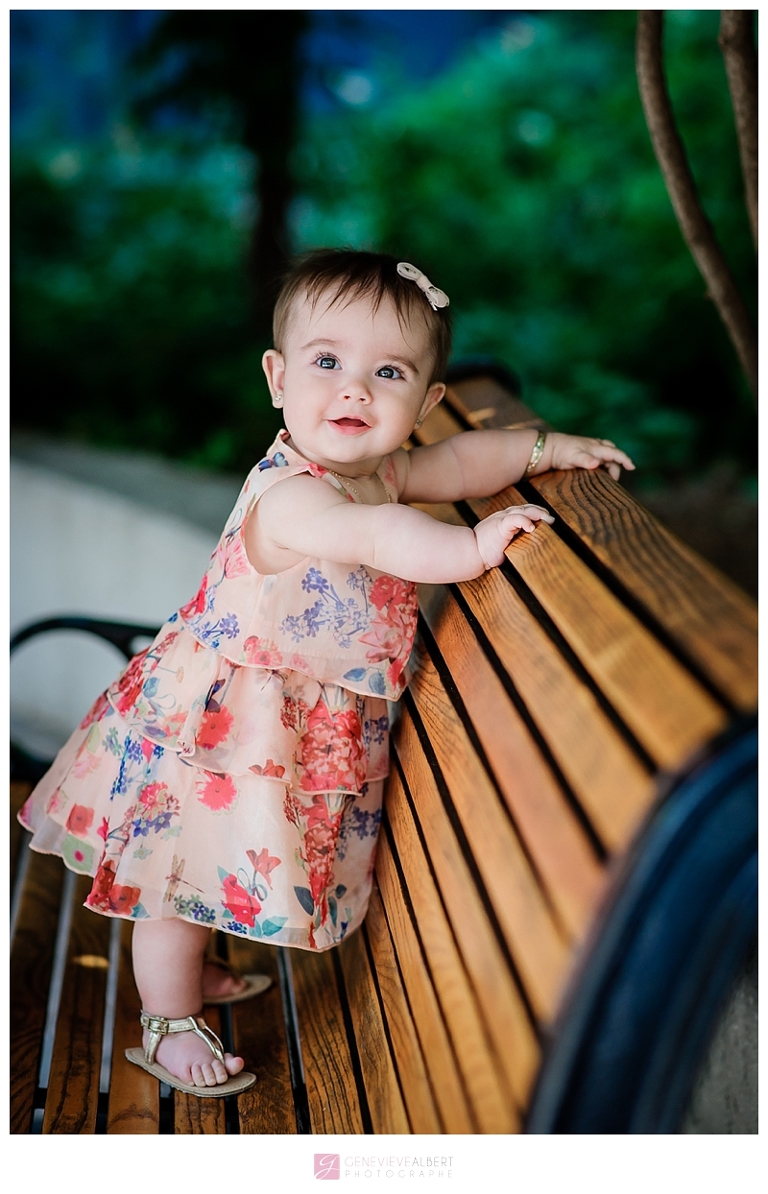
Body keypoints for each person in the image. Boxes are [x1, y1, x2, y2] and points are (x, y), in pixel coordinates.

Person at [18, 249, 635, 1097]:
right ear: (278, 378)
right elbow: (378, 540)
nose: (355, 390)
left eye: (388, 372)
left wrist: (543, 449)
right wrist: (472, 546)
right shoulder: (296, 497)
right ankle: (164, 1022)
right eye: (328, 362)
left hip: (281, 733)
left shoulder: (374, 471)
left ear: (423, 404)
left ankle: (189, 978)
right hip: (217, 732)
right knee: (171, 872)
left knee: (204, 864)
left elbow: (453, 467)